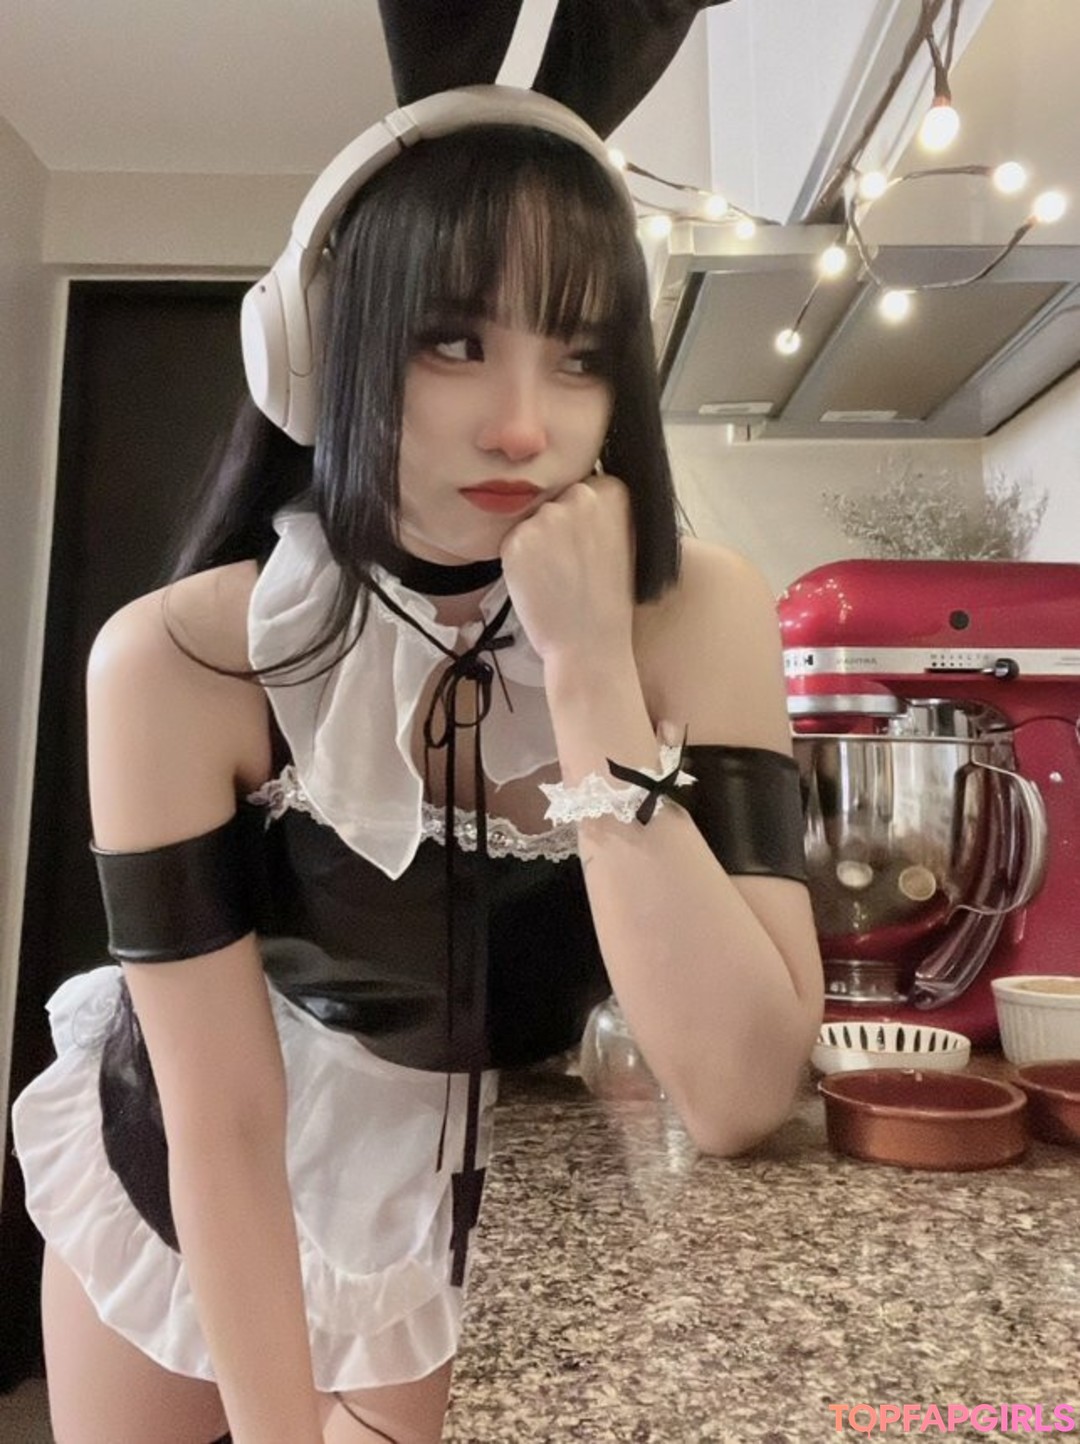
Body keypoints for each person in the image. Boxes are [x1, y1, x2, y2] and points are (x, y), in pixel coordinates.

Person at [12, 65, 822, 1444]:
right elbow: (221, 1118)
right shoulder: (177, 661)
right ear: (322, 349)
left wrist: (589, 673)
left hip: (479, 1193)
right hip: (196, 1171)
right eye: (453, 340)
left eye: (580, 355)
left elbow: (740, 1093)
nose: (525, 423)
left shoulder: (699, 613)